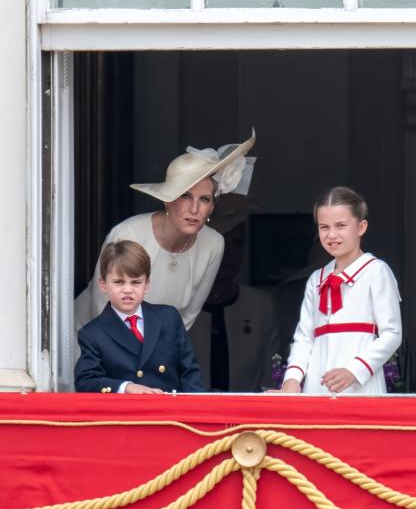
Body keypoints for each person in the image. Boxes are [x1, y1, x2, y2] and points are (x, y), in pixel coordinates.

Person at [74, 133, 256, 334]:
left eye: (204, 199)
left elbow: (186, 319)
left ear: (212, 206)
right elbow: (104, 316)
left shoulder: (214, 244)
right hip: (91, 342)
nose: (194, 209)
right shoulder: (129, 234)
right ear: (167, 199)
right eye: (185, 196)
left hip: (154, 355)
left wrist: (159, 356)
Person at [279, 187, 402, 395]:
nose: (332, 235)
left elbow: (392, 334)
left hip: (361, 388)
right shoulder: (315, 280)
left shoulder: (376, 271)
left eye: (341, 226)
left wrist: (354, 370)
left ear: (361, 227)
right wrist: (292, 379)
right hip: (316, 389)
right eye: (324, 227)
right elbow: (304, 337)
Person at [75, 240, 204, 393]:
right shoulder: (93, 334)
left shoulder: (168, 318)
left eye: (136, 282)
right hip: (126, 413)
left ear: (147, 284)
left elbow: (190, 373)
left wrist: (194, 411)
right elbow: (85, 381)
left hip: (169, 412)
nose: (128, 290)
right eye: (118, 282)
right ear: (103, 284)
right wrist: (126, 387)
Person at [188, 194, 274, 392]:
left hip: (249, 416)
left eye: (237, 243)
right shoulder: (180, 303)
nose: (229, 253)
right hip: (190, 415)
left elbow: (274, 363)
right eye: (222, 243)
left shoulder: (260, 306)